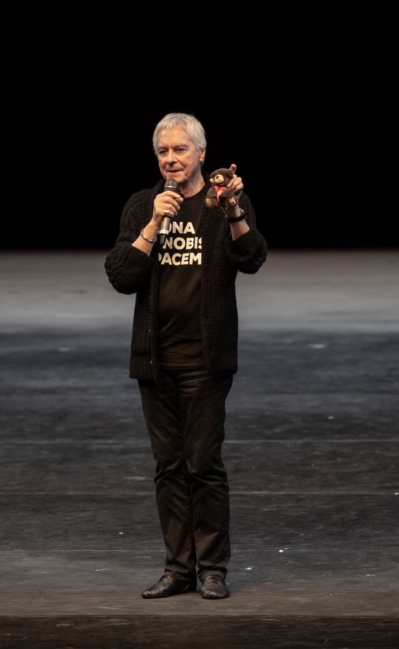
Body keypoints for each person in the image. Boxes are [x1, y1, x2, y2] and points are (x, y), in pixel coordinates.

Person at [104, 113, 268, 600]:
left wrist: (234, 210)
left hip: (205, 358)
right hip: (156, 360)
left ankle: (212, 569)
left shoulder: (224, 205)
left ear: (201, 154)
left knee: (203, 464)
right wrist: (155, 222)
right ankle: (178, 568)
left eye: (180, 150)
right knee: (169, 467)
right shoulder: (141, 206)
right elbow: (121, 275)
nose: (171, 159)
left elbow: (253, 258)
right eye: (163, 152)